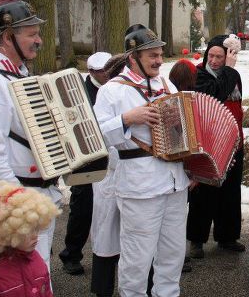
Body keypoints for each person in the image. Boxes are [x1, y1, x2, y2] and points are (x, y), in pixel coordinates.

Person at [0, 0, 61, 270]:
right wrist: (22, 209)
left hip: (32, 197)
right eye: (32, 34)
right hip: (13, 206)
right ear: (8, 37)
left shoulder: (17, 75)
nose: (39, 40)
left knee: (37, 282)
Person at [94, 24, 189, 297]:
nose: (159, 60)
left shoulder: (166, 84)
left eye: (160, 54)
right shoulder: (112, 90)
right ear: (133, 57)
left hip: (174, 182)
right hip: (139, 185)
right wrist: (126, 120)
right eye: (152, 56)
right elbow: (95, 136)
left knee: (172, 253)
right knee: (137, 257)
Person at [188, 34, 245, 258]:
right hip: (208, 142)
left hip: (232, 140)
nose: (213, 60)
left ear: (228, 56)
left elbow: (236, 101)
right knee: (204, 192)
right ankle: (196, 239)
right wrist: (229, 70)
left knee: (230, 191)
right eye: (210, 55)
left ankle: (227, 237)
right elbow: (215, 94)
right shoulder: (199, 74)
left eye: (219, 57)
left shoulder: (235, 75)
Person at [59, 51, 112, 276]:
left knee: (112, 210)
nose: (107, 74)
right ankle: (71, 254)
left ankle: (112, 254)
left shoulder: (117, 86)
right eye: (102, 71)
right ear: (91, 72)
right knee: (82, 209)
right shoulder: (79, 92)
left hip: (112, 157)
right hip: (88, 160)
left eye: (109, 69)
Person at [0, 180, 61, 296]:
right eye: (26, 231)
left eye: (36, 228)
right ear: (6, 232)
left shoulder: (37, 259)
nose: (35, 235)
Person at [89, 54, 128, 297]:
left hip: (129, 178)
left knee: (130, 240)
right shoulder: (107, 97)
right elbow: (104, 140)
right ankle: (102, 290)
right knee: (105, 235)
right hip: (109, 178)